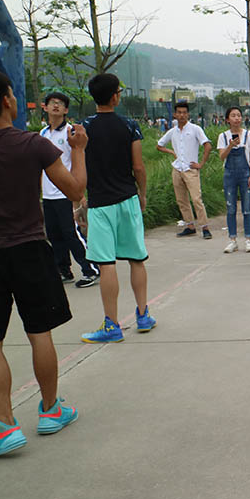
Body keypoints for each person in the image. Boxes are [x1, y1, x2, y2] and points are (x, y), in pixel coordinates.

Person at [0, 70, 85, 455]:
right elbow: (75, 190)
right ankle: (51, 410)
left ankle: (4, 426)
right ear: (7, 100)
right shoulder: (33, 144)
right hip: (30, 248)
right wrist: (79, 149)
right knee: (39, 333)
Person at [80, 73, 155, 343]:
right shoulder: (129, 126)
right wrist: (142, 194)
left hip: (100, 204)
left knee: (106, 264)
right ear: (115, 97)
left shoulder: (83, 128)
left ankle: (112, 326)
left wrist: (81, 199)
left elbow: (80, 166)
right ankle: (143, 315)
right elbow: (138, 167)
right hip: (127, 199)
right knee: (136, 259)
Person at [39, 92, 100, 288]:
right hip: (48, 194)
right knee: (54, 234)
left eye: (60, 103)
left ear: (66, 110)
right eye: (52, 103)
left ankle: (91, 269)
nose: (56, 106)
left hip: (65, 193)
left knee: (71, 233)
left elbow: (78, 162)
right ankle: (64, 269)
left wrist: (79, 196)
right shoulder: (43, 134)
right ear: (45, 107)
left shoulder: (71, 132)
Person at [157, 102, 213, 239]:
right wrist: (171, 152)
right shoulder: (173, 131)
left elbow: (207, 146)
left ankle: (205, 227)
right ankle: (190, 226)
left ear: (188, 114)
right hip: (177, 169)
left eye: (184, 113)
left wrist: (201, 163)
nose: (182, 115)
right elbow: (159, 145)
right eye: (179, 113)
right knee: (181, 200)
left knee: (196, 199)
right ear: (175, 115)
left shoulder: (195, 129)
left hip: (190, 169)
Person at [216, 106, 250, 254]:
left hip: (245, 174)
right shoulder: (223, 136)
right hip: (229, 175)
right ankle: (232, 240)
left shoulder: (248, 135)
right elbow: (221, 156)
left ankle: (248, 239)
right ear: (228, 119)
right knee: (231, 208)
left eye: (239, 115)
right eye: (233, 115)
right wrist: (230, 145)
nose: (237, 118)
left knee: (247, 208)